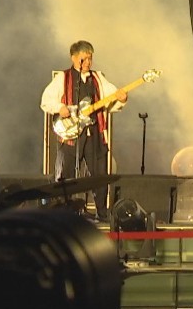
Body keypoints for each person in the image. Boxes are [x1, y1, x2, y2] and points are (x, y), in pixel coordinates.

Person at [40, 40, 127, 221]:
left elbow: (111, 99)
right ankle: (64, 213)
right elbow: (46, 100)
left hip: (94, 133)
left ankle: (102, 212)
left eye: (90, 58)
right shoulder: (63, 78)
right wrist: (60, 107)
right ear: (73, 58)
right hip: (71, 135)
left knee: (99, 174)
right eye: (83, 59)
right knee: (66, 175)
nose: (88, 62)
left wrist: (121, 98)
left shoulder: (98, 78)